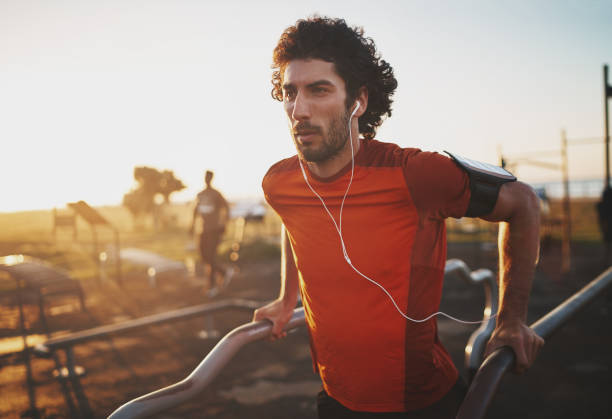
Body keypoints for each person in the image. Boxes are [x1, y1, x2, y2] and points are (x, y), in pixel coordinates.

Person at [253, 16, 544, 419]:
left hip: (422, 403)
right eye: (290, 92)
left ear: (359, 101)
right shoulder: (279, 182)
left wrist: (511, 321)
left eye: (319, 90)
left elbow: (523, 203)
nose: (298, 109)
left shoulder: (414, 173)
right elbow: (294, 222)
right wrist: (288, 298)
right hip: (335, 399)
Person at [190, 170, 229, 292]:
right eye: (205, 177)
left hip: (214, 229)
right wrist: (191, 225)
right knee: (203, 256)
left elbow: (226, 208)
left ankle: (211, 285)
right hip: (202, 230)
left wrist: (224, 224)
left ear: (211, 178)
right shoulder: (200, 194)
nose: (207, 179)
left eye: (208, 177)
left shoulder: (216, 194)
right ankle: (222, 272)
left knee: (211, 256)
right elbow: (195, 211)